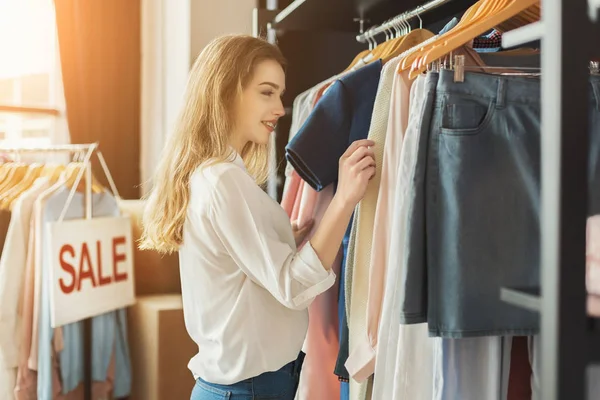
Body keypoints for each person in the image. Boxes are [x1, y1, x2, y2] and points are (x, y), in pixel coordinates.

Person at [140, 34, 376, 400]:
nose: (281, 109)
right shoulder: (223, 181)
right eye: (267, 92)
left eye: (279, 95)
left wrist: (284, 239)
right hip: (247, 392)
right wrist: (344, 198)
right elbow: (293, 288)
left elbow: (239, 270)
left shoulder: (212, 175)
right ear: (226, 93)